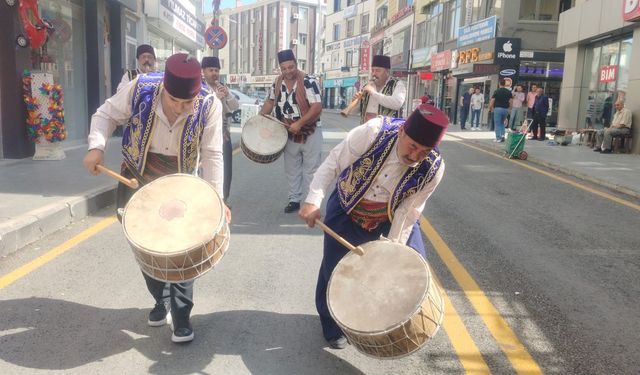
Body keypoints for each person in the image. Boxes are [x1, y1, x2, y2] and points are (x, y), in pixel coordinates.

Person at [83, 53, 230, 344]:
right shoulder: (141, 87)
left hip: (181, 180)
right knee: (145, 246)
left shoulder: (209, 103)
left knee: (182, 247)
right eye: (175, 101)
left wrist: (217, 199)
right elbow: (105, 114)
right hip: (137, 175)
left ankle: (183, 317)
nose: (180, 108)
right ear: (164, 87)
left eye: (187, 103)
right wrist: (96, 147)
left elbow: (213, 154)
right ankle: (160, 299)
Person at [298, 104, 448, 349]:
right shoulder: (373, 132)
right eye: (412, 146)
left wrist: (393, 249)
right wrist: (313, 199)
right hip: (348, 206)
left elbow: (408, 212)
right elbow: (333, 163)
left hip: (391, 213)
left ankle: (391, 322)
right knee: (337, 271)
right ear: (402, 132)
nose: (415, 156)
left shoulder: (433, 168)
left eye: (424, 151)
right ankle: (332, 324)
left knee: (410, 266)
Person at [260, 49, 323, 213]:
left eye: (291, 67)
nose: (288, 71)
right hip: (287, 133)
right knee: (292, 169)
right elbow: (270, 101)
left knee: (312, 170)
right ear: (280, 69)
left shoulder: (309, 81)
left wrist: (300, 123)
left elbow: (316, 107)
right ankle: (294, 200)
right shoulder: (277, 82)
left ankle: (311, 203)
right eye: (284, 68)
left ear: (296, 64)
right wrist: (260, 118)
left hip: (311, 131)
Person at [201, 56, 239, 204]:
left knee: (225, 171)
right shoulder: (199, 88)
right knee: (206, 170)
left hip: (223, 136)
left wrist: (227, 94)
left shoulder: (222, 87)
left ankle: (223, 200)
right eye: (211, 70)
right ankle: (207, 201)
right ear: (203, 71)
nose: (214, 73)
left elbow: (235, 106)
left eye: (216, 70)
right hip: (205, 137)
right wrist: (215, 97)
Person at [353, 55, 406, 124]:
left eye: (378, 70)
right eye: (373, 70)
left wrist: (373, 92)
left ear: (387, 71)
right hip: (367, 131)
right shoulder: (367, 86)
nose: (374, 73)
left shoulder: (397, 84)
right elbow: (354, 112)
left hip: (387, 132)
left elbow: (397, 104)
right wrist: (355, 102)